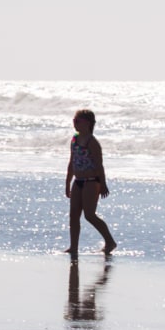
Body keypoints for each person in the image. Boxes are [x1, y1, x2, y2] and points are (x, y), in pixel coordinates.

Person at [65, 109, 116, 255]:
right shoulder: (74, 139)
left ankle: (110, 241)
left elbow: (100, 165)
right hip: (78, 181)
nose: (74, 123)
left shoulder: (92, 142)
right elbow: (71, 162)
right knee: (73, 214)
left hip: (91, 182)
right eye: (74, 120)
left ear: (87, 123)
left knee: (89, 215)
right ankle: (73, 247)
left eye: (77, 121)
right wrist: (67, 182)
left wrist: (103, 184)